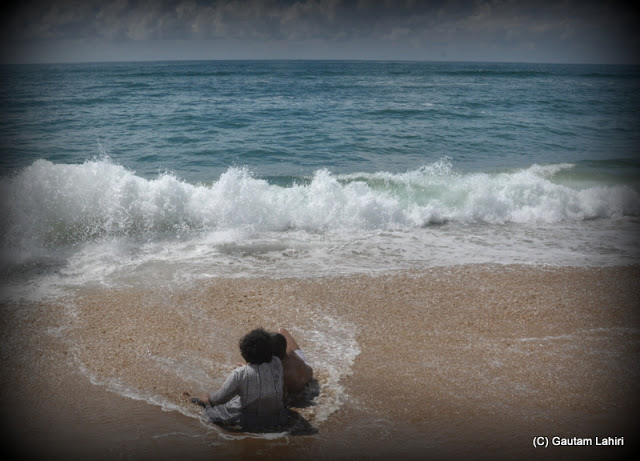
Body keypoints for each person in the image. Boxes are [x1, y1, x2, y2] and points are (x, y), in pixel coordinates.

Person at [190, 328, 289, 431]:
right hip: (277, 418)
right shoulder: (277, 363)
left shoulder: (240, 374)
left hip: (251, 422)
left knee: (207, 410)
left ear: (245, 353)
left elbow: (219, 399)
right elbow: (261, 368)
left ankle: (191, 401)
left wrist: (207, 400)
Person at [271, 328, 313, 396]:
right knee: (281, 331)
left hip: (300, 384)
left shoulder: (283, 373)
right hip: (307, 369)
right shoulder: (288, 350)